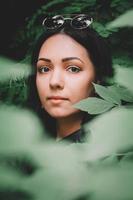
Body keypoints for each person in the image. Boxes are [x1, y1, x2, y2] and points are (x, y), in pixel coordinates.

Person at [28, 14, 114, 142]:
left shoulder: (112, 154)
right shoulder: (22, 148)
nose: (54, 81)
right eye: (44, 69)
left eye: (73, 69)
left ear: (98, 79)